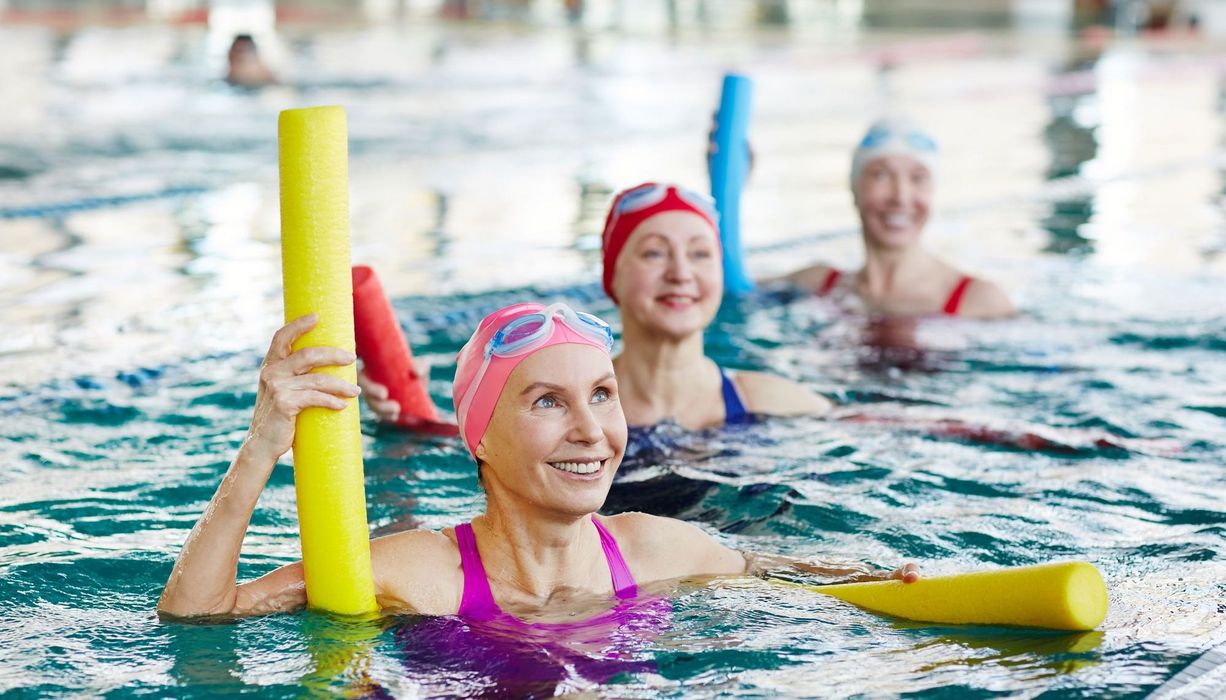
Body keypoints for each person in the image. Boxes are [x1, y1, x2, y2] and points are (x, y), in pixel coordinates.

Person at [158, 303, 917, 622]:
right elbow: (200, 616)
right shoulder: (419, 576)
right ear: (480, 436)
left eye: (601, 395)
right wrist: (262, 444)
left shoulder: (658, 548)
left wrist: (890, 582)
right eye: (548, 403)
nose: (592, 430)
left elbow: (776, 569)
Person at [602, 183, 833, 430]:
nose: (681, 274)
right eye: (654, 253)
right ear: (613, 276)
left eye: (700, 254)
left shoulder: (783, 406)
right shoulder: (576, 411)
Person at [781, 117, 1015, 319]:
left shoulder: (980, 302)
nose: (901, 197)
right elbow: (743, 287)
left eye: (918, 178)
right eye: (881, 175)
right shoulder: (816, 284)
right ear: (854, 188)